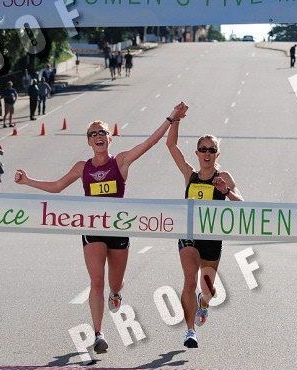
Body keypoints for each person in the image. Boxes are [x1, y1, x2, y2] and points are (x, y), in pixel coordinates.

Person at [14, 102, 189, 354]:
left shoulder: (121, 162)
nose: (98, 136)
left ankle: (116, 294)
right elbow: (56, 187)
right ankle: (98, 334)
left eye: (102, 133)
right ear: (88, 142)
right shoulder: (82, 168)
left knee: (114, 283)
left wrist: (171, 118)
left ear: (110, 138)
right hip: (93, 230)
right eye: (93, 134)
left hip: (118, 231)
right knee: (97, 282)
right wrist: (27, 181)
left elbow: (149, 143)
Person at [166, 120, 243, 349]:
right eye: (203, 149)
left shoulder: (224, 176)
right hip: (189, 235)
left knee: (208, 289)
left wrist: (226, 191)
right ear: (197, 153)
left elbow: (242, 204)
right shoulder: (190, 174)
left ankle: (204, 302)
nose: (207, 153)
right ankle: (190, 331)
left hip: (212, 239)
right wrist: (175, 119)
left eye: (212, 150)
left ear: (217, 154)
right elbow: (171, 145)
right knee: (189, 281)